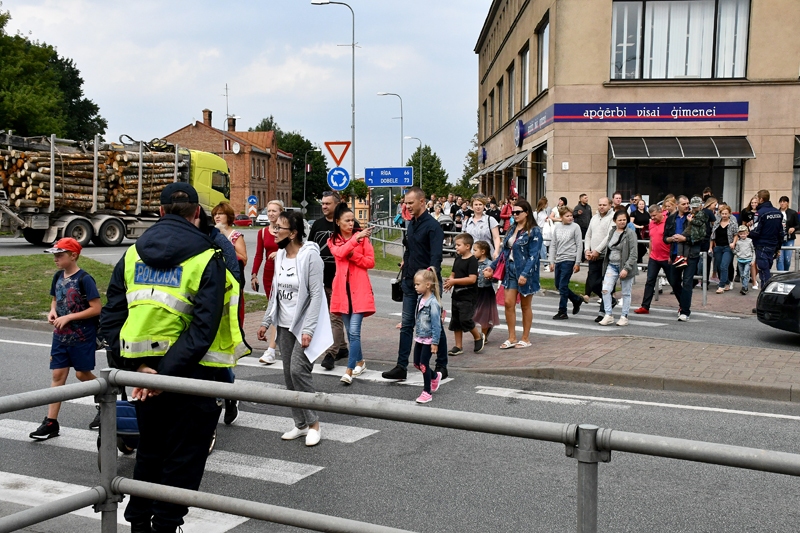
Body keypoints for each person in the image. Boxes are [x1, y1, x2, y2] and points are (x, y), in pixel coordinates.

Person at [101, 182, 248, 533]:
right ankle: (166, 527)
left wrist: (140, 370)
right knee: (184, 460)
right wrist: (164, 374)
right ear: (198, 212)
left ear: (160, 212)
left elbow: (111, 319)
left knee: (150, 452)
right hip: (195, 375)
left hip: (143, 378)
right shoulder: (209, 254)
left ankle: (138, 526)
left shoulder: (132, 254)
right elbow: (204, 326)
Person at [257, 210, 330, 446]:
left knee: (299, 370)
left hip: (305, 324)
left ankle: (314, 424)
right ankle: (300, 425)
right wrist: (266, 321)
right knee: (288, 375)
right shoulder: (278, 256)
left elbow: (317, 294)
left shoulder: (310, 256)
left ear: (294, 233)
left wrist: (308, 329)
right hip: (284, 324)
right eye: (275, 226)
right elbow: (276, 293)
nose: (275, 231)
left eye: (280, 227)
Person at [29, 238, 101, 440]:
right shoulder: (57, 276)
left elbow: (96, 308)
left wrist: (69, 317)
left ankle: (106, 398)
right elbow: (55, 300)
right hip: (60, 337)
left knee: (81, 375)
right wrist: (52, 312)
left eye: (60, 255)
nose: (55, 259)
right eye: (54, 255)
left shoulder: (85, 279)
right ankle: (51, 422)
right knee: (58, 375)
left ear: (73, 255)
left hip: (81, 337)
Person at [383, 187, 449, 381]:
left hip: (427, 286)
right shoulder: (410, 224)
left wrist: (430, 284)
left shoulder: (433, 227)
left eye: (410, 202)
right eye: (405, 202)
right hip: (410, 282)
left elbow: (436, 258)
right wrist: (405, 268)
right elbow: (408, 249)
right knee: (406, 326)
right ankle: (401, 367)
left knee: (434, 325)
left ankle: (441, 365)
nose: (407, 206)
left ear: (422, 201)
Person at [483, 198, 542, 349]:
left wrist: (525, 274)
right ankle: (512, 337)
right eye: (513, 212)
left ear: (526, 213)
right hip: (509, 269)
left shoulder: (534, 231)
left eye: (517, 212)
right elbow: (504, 252)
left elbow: (534, 256)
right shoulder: (511, 229)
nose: (514, 215)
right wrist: (492, 266)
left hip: (524, 271)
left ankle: (525, 338)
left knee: (525, 305)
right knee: (509, 303)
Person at [328, 202, 375, 385]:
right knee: (350, 332)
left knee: (354, 331)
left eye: (352, 220)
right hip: (342, 292)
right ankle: (361, 362)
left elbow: (370, 262)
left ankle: (349, 370)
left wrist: (354, 255)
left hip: (359, 290)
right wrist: (354, 241)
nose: (350, 223)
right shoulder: (333, 240)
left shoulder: (363, 239)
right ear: (338, 222)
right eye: (346, 220)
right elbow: (339, 253)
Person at [309, 191, 353, 370]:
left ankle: (331, 353)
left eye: (328, 203)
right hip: (322, 279)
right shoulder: (317, 225)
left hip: (341, 279)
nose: (324, 206)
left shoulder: (347, 224)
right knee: (330, 317)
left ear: (336, 204)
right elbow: (310, 248)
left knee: (335, 317)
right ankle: (342, 347)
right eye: (322, 203)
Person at [664, 195, 707, 322]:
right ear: (677, 205)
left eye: (688, 203)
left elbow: (701, 237)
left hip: (691, 254)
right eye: (684, 204)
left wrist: (685, 239)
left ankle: (685, 311)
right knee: (674, 281)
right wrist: (671, 239)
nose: (687, 206)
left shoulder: (694, 217)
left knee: (687, 282)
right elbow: (665, 238)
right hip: (675, 254)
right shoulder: (671, 218)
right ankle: (682, 304)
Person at [252, 200, 282, 364]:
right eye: (268, 211)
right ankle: (273, 348)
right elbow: (258, 255)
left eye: (274, 211)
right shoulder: (263, 232)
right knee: (274, 312)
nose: (271, 214)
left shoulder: (286, 230)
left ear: (281, 212)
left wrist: (280, 253)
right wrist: (254, 274)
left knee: (278, 311)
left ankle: (271, 349)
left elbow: (296, 247)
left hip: (284, 272)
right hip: (269, 274)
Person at [444, 233, 485, 355]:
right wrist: (450, 282)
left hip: (468, 296)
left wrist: (454, 281)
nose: (456, 247)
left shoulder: (472, 261)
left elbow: (472, 279)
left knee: (465, 319)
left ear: (467, 246)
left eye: (458, 245)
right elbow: (453, 273)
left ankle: (478, 337)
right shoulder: (457, 259)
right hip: (456, 295)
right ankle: (458, 346)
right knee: (456, 320)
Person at [599, 210, 638, 326]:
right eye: (620, 220)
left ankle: (624, 316)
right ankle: (608, 314)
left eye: (624, 220)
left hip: (625, 266)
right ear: (614, 221)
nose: (622, 222)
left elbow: (633, 253)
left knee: (626, 293)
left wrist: (626, 268)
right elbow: (608, 247)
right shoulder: (612, 232)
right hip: (611, 265)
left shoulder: (630, 233)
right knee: (605, 290)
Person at [411, 268, 444, 404]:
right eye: (415, 284)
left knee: (424, 364)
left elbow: (437, 325)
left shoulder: (433, 303)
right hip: (420, 336)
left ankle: (427, 392)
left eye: (418, 284)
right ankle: (435, 376)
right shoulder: (420, 299)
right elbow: (419, 317)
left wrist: (435, 343)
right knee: (417, 364)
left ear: (428, 285)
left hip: (429, 338)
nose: (415, 287)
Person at [212, 202, 247, 325]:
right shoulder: (213, 233)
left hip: (233, 277)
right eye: (215, 214)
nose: (217, 216)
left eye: (221, 214)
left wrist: (227, 249)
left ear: (228, 216)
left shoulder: (236, 235)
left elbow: (243, 258)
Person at [634, 205, 671, 314]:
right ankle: (645, 306)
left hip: (666, 257)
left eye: (654, 215)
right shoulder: (651, 224)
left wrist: (671, 256)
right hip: (654, 257)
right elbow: (651, 240)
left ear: (661, 212)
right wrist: (650, 254)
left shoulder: (668, 223)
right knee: (649, 281)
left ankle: (683, 306)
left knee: (674, 281)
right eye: (651, 216)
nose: (653, 218)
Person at [548, 206, 583, 320]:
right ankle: (576, 299)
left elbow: (579, 245)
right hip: (559, 259)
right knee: (558, 285)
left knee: (563, 285)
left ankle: (562, 311)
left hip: (569, 259)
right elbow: (553, 245)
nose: (570, 218)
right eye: (567, 216)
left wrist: (577, 262)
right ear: (561, 217)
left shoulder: (575, 227)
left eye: (571, 216)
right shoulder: (558, 228)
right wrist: (551, 261)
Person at [584, 197, 615, 321]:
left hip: (605, 256)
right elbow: (588, 235)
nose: (601, 207)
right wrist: (587, 249)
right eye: (600, 204)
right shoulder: (594, 218)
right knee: (593, 282)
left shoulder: (612, 218)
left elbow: (609, 236)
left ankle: (603, 312)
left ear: (610, 205)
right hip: (592, 255)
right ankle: (611, 301)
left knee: (605, 284)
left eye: (604, 204)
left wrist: (598, 250)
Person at [749, 189, 784, 289]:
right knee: (767, 268)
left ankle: (767, 293)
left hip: (762, 245)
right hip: (773, 245)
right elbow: (781, 232)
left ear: (761, 199)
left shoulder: (759, 213)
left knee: (764, 271)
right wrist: (778, 247)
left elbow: (756, 232)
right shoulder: (778, 212)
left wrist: (748, 233)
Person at [472, 240, 499, 342]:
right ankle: (482, 332)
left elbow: (496, 278)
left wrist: (491, 276)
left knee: (484, 314)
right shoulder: (473, 262)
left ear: (483, 251)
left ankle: (483, 335)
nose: (473, 252)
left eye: (475, 250)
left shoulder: (490, 264)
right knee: (474, 313)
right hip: (475, 291)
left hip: (486, 291)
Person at [672, 197, 709, 269]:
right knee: (683, 241)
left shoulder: (701, 214)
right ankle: (683, 258)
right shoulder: (692, 212)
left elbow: (700, 223)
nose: (694, 208)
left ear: (701, 206)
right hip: (691, 231)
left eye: (687, 204)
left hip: (694, 235)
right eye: (693, 207)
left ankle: (680, 256)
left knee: (681, 239)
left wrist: (691, 220)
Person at [710, 204, 738, 293]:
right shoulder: (717, 223)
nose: (724, 215)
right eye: (723, 214)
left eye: (726, 214)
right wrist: (711, 247)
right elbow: (712, 236)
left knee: (724, 266)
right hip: (718, 247)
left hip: (728, 247)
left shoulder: (733, 224)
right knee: (718, 266)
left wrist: (733, 243)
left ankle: (721, 286)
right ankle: (727, 282)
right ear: (720, 214)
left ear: (729, 214)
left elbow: (736, 234)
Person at [777, 196, 799, 272]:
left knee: (787, 259)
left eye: (784, 202)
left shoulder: (793, 213)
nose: (782, 203)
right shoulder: (776, 212)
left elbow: (798, 225)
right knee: (780, 259)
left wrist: (794, 228)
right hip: (779, 239)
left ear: (788, 203)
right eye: (781, 202)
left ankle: (785, 273)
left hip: (789, 239)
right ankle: (780, 276)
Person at [734, 225, 755, 294]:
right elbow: (736, 250)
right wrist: (734, 251)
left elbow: (753, 251)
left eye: (744, 234)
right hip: (740, 260)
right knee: (742, 274)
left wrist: (753, 260)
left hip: (748, 260)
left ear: (747, 233)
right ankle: (744, 287)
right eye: (741, 234)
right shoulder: (738, 242)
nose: (742, 235)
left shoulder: (749, 241)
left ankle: (744, 287)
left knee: (745, 274)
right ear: (739, 234)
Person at [535, 197, 552, 271]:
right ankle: (545, 264)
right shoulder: (537, 213)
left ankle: (543, 263)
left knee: (542, 247)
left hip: (543, 229)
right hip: (540, 230)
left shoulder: (544, 212)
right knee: (543, 247)